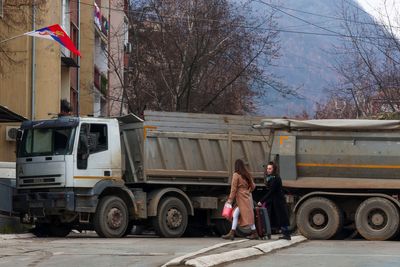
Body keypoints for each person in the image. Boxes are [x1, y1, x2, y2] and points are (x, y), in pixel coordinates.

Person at [222, 159, 258, 240]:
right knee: (240, 215)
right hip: (247, 197)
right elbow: (253, 186)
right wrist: (248, 191)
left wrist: (230, 200)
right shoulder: (247, 174)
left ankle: (233, 233)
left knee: (243, 216)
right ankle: (233, 233)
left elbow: (233, 189)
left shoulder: (236, 175)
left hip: (241, 198)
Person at [257, 161, 291, 240]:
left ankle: (286, 234)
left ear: (274, 169)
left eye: (270, 169)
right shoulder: (271, 177)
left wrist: (261, 201)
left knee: (282, 217)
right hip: (274, 201)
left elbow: (271, 191)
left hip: (278, 201)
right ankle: (283, 233)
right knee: (278, 217)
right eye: (267, 168)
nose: (268, 170)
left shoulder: (275, 178)